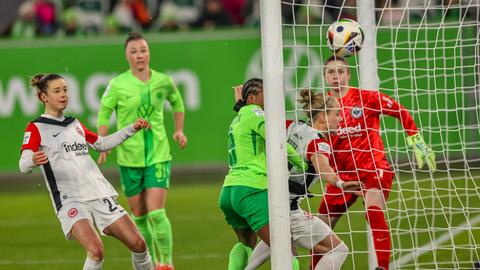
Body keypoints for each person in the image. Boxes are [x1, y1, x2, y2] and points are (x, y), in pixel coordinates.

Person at [311, 55, 436, 270]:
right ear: (324, 76)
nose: (336, 77)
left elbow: (399, 110)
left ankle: (383, 268)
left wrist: (417, 141)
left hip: (372, 169)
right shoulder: (324, 108)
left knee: (374, 211)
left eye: (341, 71)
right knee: (318, 230)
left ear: (349, 75)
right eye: (331, 72)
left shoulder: (366, 98)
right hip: (342, 176)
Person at [19, 73, 152, 270]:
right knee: (96, 251)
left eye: (65, 89)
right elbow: (23, 165)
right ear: (44, 97)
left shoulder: (75, 124)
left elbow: (101, 143)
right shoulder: (37, 127)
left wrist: (131, 128)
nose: (63, 94)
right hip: (70, 199)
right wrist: (32, 159)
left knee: (139, 244)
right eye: (57, 91)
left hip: (98, 194)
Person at [97, 32, 187, 270]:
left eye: (143, 50)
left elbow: (177, 102)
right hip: (129, 157)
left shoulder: (163, 81)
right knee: (140, 217)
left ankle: (166, 264)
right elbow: (104, 113)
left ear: (149, 53)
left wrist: (179, 130)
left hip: (158, 154)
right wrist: (103, 141)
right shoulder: (117, 84)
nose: (140, 55)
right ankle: (146, 264)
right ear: (126, 56)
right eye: (134, 51)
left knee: (157, 213)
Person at [244, 89, 362, 270]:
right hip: (288, 209)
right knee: (338, 250)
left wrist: (242, 104)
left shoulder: (292, 126)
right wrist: (341, 183)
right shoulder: (318, 142)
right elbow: (323, 168)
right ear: (322, 116)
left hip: (267, 200)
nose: (340, 119)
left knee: (275, 241)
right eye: (337, 114)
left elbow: (260, 121)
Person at [219, 78, 306, 270]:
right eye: (265, 95)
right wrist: (303, 163)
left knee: (245, 245)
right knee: (285, 249)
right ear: (252, 98)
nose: (272, 100)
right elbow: (276, 141)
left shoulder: (237, 118)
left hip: (230, 191)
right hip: (252, 188)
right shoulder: (255, 112)